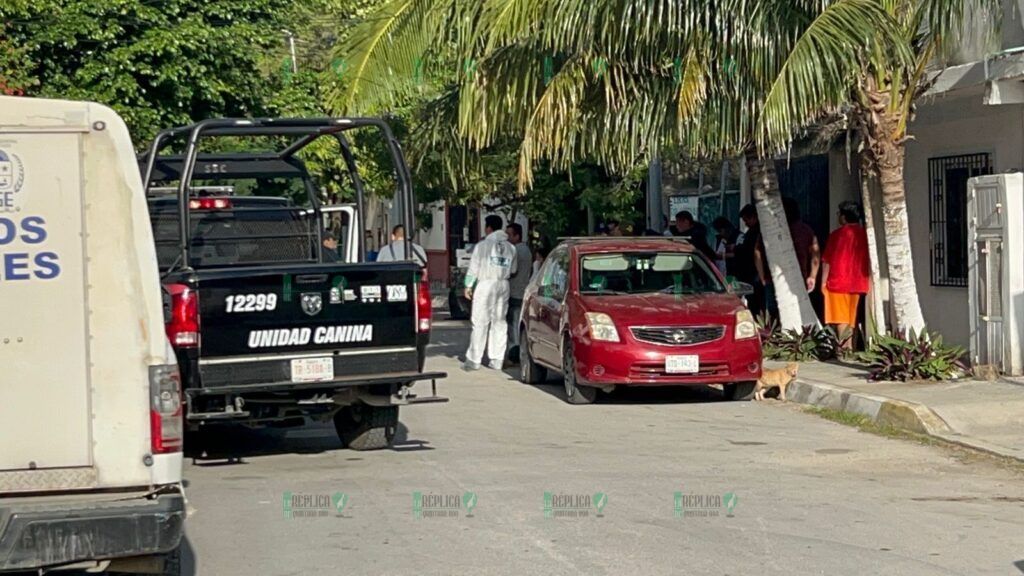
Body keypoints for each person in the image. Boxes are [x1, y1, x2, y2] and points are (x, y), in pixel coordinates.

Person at [463, 215, 517, 371]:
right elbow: (513, 270)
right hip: (503, 285)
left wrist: (468, 285)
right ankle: (497, 359)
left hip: (485, 284)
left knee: (480, 321)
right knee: (499, 322)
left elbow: (474, 267)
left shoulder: (482, 246)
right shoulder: (511, 248)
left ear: (488, 228)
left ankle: (474, 359)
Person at [821, 201, 870, 351]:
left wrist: (823, 282)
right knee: (851, 318)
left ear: (844, 217)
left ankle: (843, 349)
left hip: (838, 281)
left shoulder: (837, 235)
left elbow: (827, 260)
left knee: (840, 317)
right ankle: (851, 347)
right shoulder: (864, 234)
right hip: (858, 281)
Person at [505, 223, 532, 362]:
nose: (507, 238)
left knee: (513, 323)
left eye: (509, 235)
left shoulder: (515, 251)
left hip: (515, 291)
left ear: (517, 236)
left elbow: (512, 271)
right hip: (522, 291)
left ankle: (515, 350)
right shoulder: (526, 250)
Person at [735, 204, 767, 318]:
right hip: (751, 274)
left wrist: (736, 249)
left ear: (754, 217)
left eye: (746, 220)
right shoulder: (753, 231)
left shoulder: (757, 232)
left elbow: (751, 251)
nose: (745, 223)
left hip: (754, 274)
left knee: (757, 303)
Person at [783, 197, 821, 293]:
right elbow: (815, 253)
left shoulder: (774, 231)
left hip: (777, 277)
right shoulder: (806, 230)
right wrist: (812, 276)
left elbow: (757, 251)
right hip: (799, 277)